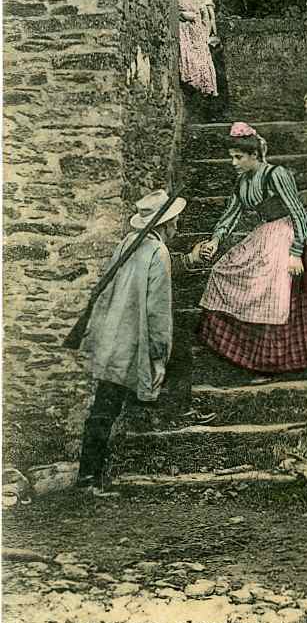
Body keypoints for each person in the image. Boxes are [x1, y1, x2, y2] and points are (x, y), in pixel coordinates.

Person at [76, 190, 204, 496]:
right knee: (108, 406)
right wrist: (159, 356)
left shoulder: (127, 244)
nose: (177, 228)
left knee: (104, 405)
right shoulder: (157, 253)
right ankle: (89, 479)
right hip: (131, 340)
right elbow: (157, 312)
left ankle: (88, 476)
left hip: (113, 334)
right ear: (166, 224)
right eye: (174, 222)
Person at [197, 122, 307, 381]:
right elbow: (231, 215)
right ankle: (248, 356)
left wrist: (296, 252)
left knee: (270, 292)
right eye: (232, 158)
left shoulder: (276, 174)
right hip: (264, 235)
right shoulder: (242, 182)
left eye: (238, 157)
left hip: (288, 234)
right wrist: (216, 241)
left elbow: (299, 212)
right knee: (222, 272)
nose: (234, 163)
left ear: (254, 155)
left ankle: (271, 364)